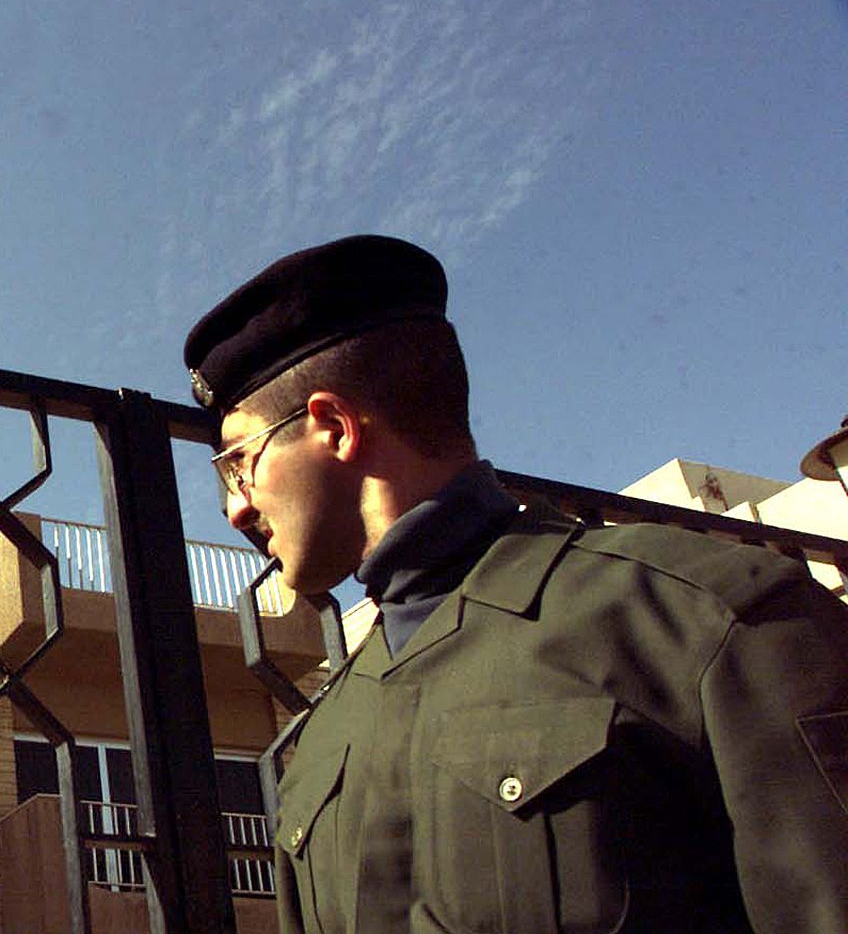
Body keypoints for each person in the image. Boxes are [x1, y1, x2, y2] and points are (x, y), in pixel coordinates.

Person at [182, 235, 848, 933]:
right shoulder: (323, 737)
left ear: (334, 427)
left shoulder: (706, 621)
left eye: (237, 464)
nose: (236, 506)